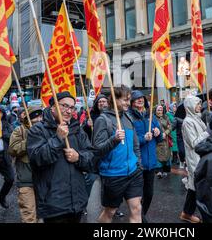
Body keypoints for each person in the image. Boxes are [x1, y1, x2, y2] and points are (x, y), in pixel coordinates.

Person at [27, 91, 93, 223]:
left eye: (72, 107)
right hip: (53, 205)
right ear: (52, 107)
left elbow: (91, 159)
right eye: (64, 106)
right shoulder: (37, 130)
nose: (68, 111)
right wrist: (58, 138)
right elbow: (37, 159)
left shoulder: (77, 129)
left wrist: (78, 157)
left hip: (77, 202)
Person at [93, 85, 143, 223]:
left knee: (136, 208)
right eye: (125, 100)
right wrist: (114, 139)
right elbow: (97, 149)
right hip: (113, 175)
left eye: (129, 99)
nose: (128, 103)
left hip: (133, 172)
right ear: (114, 100)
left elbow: (135, 145)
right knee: (110, 211)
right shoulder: (103, 120)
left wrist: (138, 163)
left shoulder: (128, 117)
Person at [128, 90, 162, 222]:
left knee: (149, 194)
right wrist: (143, 139)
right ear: (132, 102)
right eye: (136, 99)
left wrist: (158, 133)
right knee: (136, 195)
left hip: (151, 162)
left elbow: (159, 140)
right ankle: (140, 218)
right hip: (137, 163)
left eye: (141, 98)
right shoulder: (129, 117)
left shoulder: (151, 117)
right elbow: (130, 141)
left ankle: (141, 216)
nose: (140, 100)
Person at [8, 106, 43, 223]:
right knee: (29, 215)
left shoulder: (45, 130)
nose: (38, 119)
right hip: (26, 181)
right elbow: (13, 149)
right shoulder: (19, 131)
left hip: (43, 180)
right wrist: (30, 140)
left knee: (41, 214)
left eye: (40, 116)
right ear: (28, 119)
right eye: (35, 117)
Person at [180, 96, 208, 223]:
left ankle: (187, 213)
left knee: (194, 187)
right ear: (190, 106)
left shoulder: (197, 118)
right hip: (195, 159)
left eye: (199, 104)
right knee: (197, 186)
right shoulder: (188, 122)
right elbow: (195, 143)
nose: (199, 106)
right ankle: (189, 213)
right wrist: (208, 132)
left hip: (201, 157)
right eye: (197, 104)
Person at [154, 105, 172, 178]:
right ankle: (159, 171)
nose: (160, 112)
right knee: (158, 154)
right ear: (155, 111)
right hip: (157, 140)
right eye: (158, 110)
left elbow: (170, 126)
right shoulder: (153, 119)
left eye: (161, 110)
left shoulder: (166, 117)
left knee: (166, 154)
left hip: (166, 140)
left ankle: (165, 170)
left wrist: (166, 132)